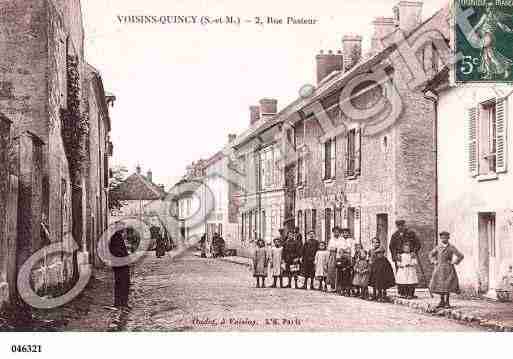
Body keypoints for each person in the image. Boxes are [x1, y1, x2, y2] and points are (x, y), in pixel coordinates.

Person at [429, 231, 464, 309]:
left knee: (448, 285)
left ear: (448, 238)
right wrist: (434, 261)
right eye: (442, 238)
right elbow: (431, 254)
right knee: (440, 284)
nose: (444, 239)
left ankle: (447, 302)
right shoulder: (438, 247)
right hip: (439, 268)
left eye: (446, 237)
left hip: (448, 268)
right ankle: (441, 301)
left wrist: (454, 262)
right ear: (440, 238)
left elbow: (460, 255)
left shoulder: (451, 247)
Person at [389, 220, 421, 297]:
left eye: (402, 225)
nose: (400, 227)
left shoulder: (411, 233)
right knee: (401, 276)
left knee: (411, 277)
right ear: (397, 226)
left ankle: (410, 293)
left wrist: (414, 251)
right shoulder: (395, 235)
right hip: (400, 258)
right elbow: (391, 247)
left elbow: (418, 244)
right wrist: (395, 257)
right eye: (398, 226)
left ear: (404, 225)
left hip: (409, 257)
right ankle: (402, 292)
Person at [369, 238, 395, 302]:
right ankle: (375, 295)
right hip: (376, 274)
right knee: (375, 284)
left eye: (381, 253)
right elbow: (373, 266)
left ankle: (383, 295)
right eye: (378, 253)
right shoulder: (374, 258)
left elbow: (388, 268)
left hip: (383, 275)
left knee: (383, 285)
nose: (380, 254)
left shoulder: (385, 260)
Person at [109, 229, 130, 308]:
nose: (124, 230)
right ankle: (121, 303)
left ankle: (120, 302)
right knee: (123, 283)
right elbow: (117, 252)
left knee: (121, 283)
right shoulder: (116, 238)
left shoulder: (117, 237)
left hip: (119, 264)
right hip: (120, 265)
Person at [327, 227, 344, 292]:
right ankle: (332, 286)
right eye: (335, 232)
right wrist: (333, 249)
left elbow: (342, 247)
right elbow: (329, 248)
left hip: (339, 256)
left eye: (337, 232)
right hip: (333, 256)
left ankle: (339, 287)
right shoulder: (331, 240)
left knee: (339, 271)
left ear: (339, 233)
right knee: (332, 271)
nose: (336, 233)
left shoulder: (341, 239)